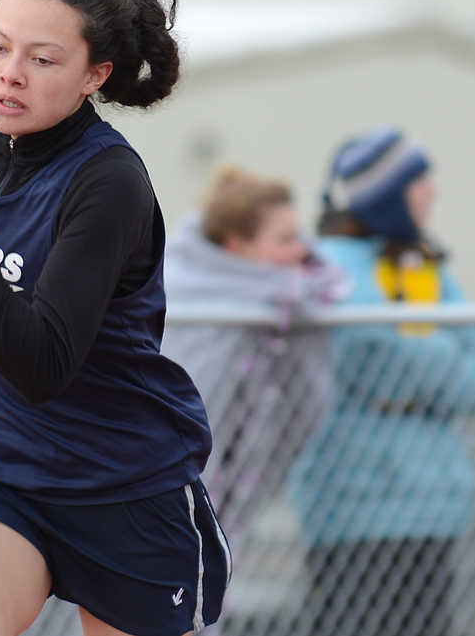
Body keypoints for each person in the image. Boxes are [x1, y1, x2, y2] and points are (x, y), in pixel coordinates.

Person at [0, 0, 229, 636]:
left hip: (119, 482)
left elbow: (42, 364)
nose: (10, 72)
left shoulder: (108, 184)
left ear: (93, 75)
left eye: (43, 59)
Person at [287, 128, 475, 636]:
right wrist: (434, 349)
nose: (433, 192)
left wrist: (401, 348)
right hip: (353, 505)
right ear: (387, 198)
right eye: (419, 181)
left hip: (435, 506)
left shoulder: (426, 266)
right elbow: (362, 346)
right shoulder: (329, 263)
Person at [161, 164, 346, 633]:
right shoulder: (184, 298)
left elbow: (308, 408)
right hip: (156, 508)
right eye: (284, 239)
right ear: (237, 247)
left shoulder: (284, 309)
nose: (301, 252)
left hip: (221, 514)